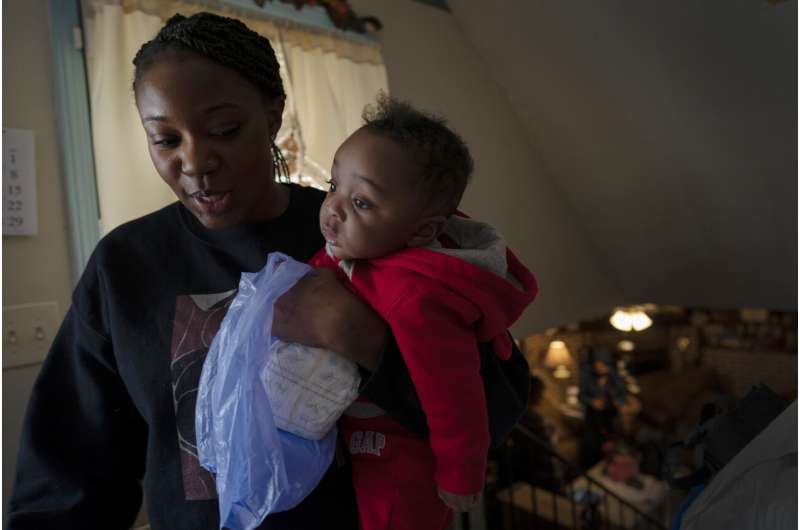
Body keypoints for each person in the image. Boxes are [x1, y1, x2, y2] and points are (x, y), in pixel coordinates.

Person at [6, 12, 530, 530]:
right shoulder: (125, 265)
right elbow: (67, 472)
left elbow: (492, 410)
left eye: (225, 129)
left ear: (273, 115)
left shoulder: (365, 235)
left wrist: (363, 340)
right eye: (165, 140)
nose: (195, 162)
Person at [309, 95, 538, 529]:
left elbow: (454, 395)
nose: (334, 206)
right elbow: (321, 272)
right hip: (356, 431)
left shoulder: (420, 300)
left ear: (423, 231)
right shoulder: (366, 245)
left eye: (362, 202)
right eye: (333, 186)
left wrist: (460, 474)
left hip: (402, 452)